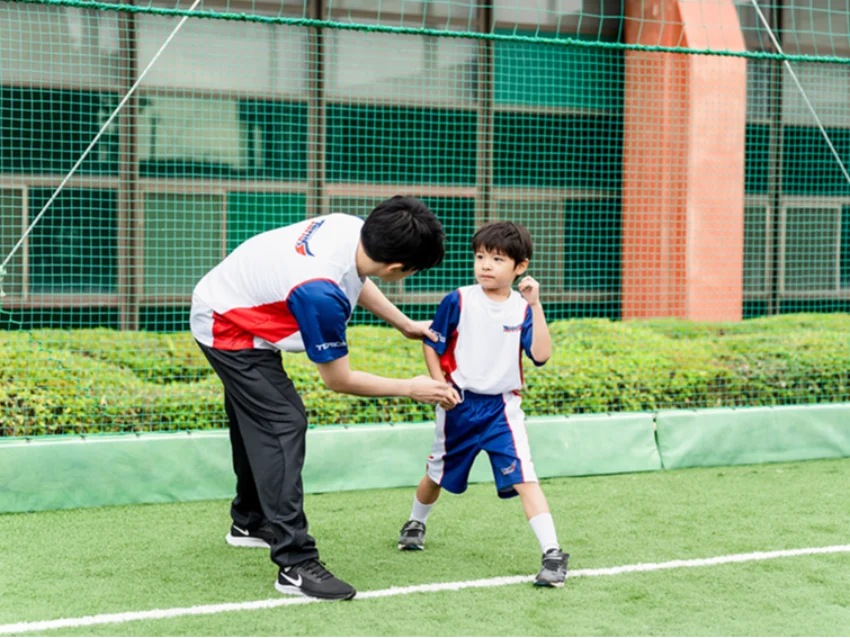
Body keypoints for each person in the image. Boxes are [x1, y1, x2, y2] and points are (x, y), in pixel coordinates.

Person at [190, 196, 458, 601]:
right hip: (228, 324)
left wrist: (404, 324)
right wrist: (410, 386)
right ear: (398, 269)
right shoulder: (319, 293)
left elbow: (357, 279)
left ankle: (248, 522)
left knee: (256, 418)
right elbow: (339, 379)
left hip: (230, 295)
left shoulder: (351, 229)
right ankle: (294, 564)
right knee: (283, 423)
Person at [396, 221, 569, 587]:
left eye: (496, 259)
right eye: (480, 257)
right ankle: (416, 522)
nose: (485, 265)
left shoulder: (523, 309)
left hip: (502, 411)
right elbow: (432, 343)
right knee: (436, 473)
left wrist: (535, 305)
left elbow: (541, 355)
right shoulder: (458, 299)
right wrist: (440, 386)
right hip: (458, 407)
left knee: (525, 477)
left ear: (520, 267)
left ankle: (553, 554)